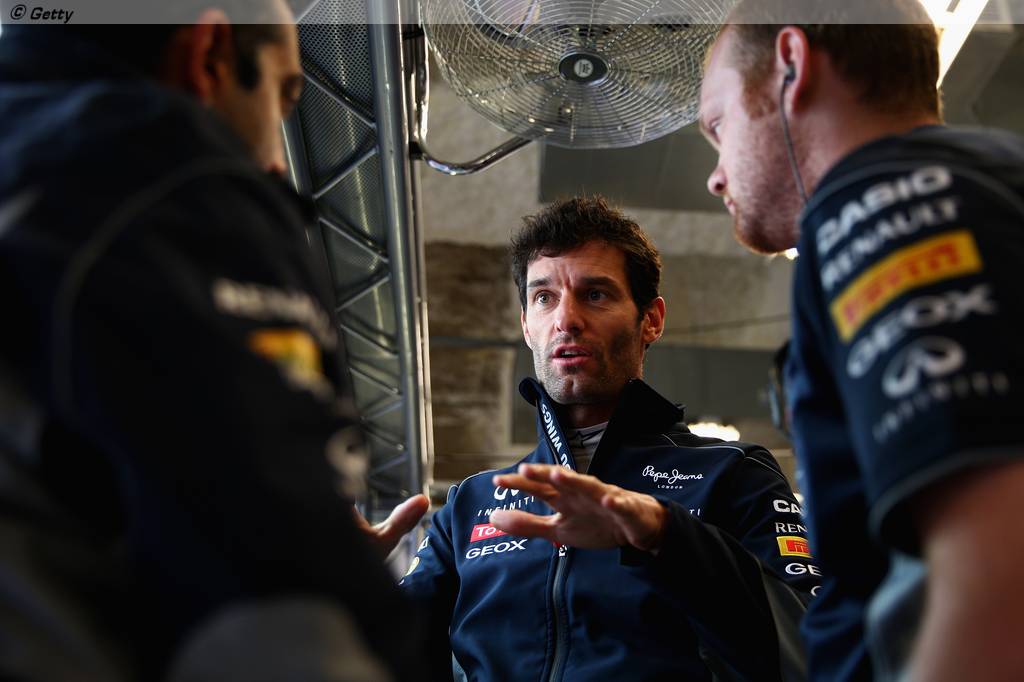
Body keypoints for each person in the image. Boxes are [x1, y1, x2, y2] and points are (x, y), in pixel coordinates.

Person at [0, 3, 422, 679]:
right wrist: (327, 574)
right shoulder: (169, 182)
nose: (278, 163)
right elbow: (275, 607)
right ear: (207, 54)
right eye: (283, 98)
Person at [699, 1, 1024, 679]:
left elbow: (997, 572)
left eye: (718, 125)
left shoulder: (886, 203)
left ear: (792, 64)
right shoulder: (984, 176)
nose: (715, 175)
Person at [397, 196, 818, 681]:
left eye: (595, 294)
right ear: (526, 326)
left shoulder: (733, 474)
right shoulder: (470, 505)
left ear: (651, 320)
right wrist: (339, 584)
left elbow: (809, 647)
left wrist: (666, 536)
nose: (566, 319)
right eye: (544, 297)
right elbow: (387, 655)